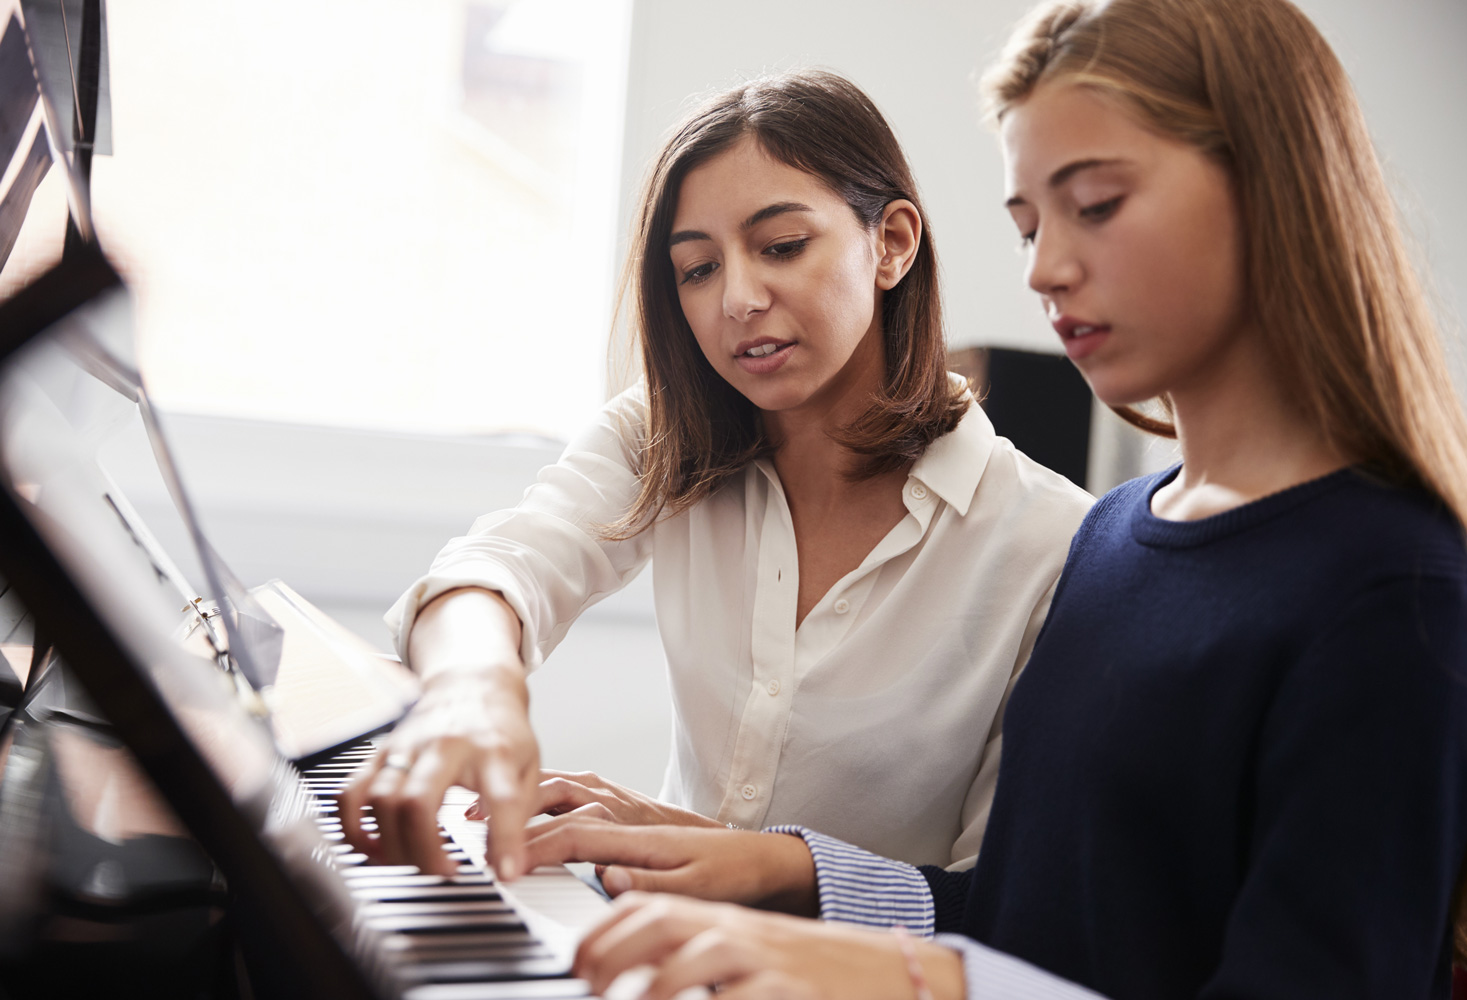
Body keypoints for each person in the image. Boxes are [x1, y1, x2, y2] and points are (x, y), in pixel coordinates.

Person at [519, 0, 1467, 997]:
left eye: (1097, 204)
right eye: (1027, 223)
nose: (1043, 269)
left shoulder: (1391, 584)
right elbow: (1026, 921)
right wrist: (781, 870)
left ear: (1271, 189)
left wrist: (915, 979)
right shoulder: (1121, 538)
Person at [336, 70, 1092, 881]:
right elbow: (503, 566)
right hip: (648, 938)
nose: (736, 298)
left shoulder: (1051, 545)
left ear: (893, 244)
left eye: (782, 247)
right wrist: (472, 690)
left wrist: (740, 861)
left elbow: (1000, 905)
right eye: (696, 269)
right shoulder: (667, 437)